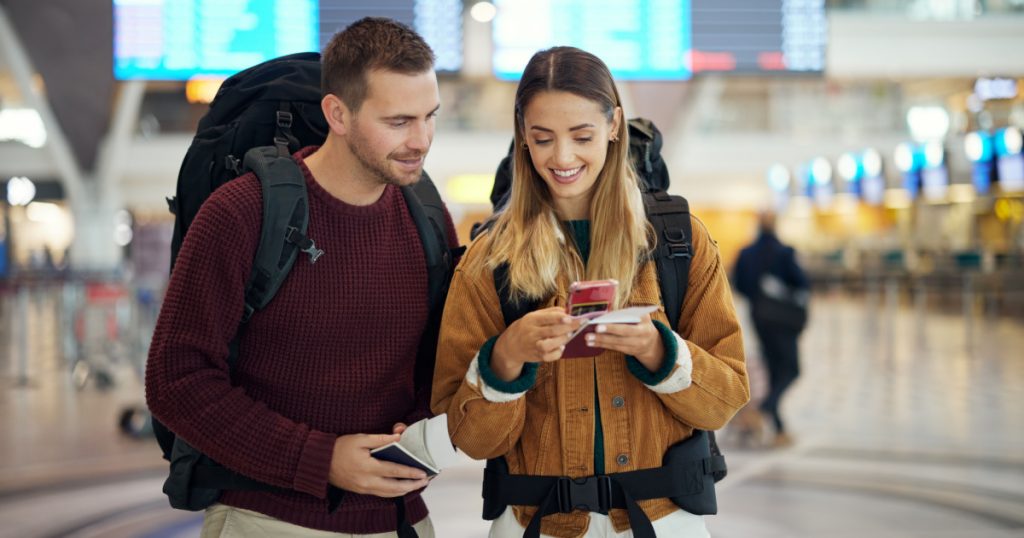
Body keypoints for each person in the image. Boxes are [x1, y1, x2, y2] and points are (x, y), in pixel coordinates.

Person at [145, 17, 458, 537]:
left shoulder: (427, 215)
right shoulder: (242, 212)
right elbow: (176, 380)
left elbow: (436, 359)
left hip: (399, 519)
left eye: (430, 116)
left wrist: (422, 421)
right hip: (266, 518)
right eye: (399, 121)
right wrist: (321, 459)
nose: (420, 140)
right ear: (337, 113)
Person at [431, 46, 749, 538]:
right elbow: (470, 438)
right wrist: (505, 362)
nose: (562, 157)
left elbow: (726, 399)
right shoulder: (489, 260)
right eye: (542, 139)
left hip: (663, 522)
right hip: (534, 523)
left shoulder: (678, 241)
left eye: (582, 136)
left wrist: (659, 351)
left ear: (615, 125)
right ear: (521, 136)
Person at [732, 211, 809, 448]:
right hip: (783, 320)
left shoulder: (746, 253)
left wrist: (758, 300)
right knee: (791, 370)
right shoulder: (785, 253)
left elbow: (738, 283)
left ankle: (779, 430)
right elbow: (803, 284)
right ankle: (765, 409)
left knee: (774, 369)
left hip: (759, 317)